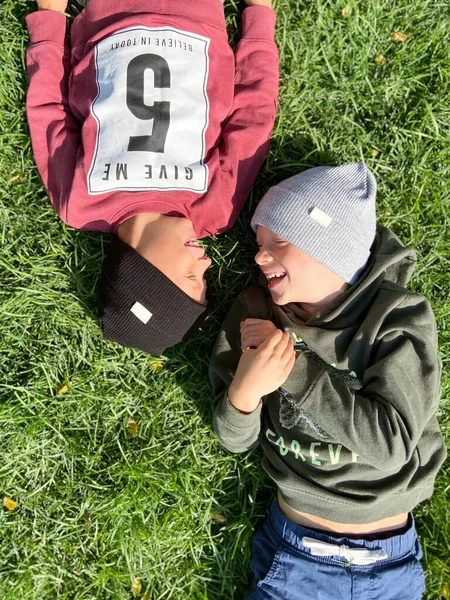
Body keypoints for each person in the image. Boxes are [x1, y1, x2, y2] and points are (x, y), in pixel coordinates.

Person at [209, 163, 446, 599]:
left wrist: (295, 372)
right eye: (259, 243)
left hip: (389, 564)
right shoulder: (255, 315)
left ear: (330, 248)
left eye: (278, 241)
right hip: (297, 556)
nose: (260, 256)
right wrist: (243, 394)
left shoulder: (396, 320)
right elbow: (235, 438)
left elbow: (391, 446)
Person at [25, 0, 278, 355]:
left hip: (110, 14)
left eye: (193, 278)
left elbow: (48, 113)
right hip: (198, 12)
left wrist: (48, 23)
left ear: (142, 273)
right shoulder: (214, 211)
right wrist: (259, 20)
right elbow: (252, 118)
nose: (206, 262)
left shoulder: (80, 203)